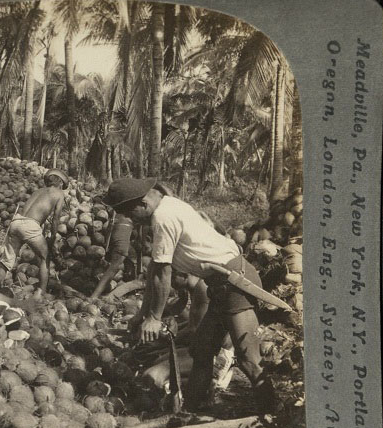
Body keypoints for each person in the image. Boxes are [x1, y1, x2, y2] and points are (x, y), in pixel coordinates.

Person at [102, 176, 274, 414]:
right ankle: (192, 411)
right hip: (220, 287)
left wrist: (154, 318)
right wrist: (143, 313)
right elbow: (154, 269)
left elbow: (163, 272)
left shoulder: (163, 218)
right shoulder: (169, 204)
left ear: (142, 205)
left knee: (249, 361)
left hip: (236, 283)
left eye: (131, 215)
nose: (133, 221)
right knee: (201, 351)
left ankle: (275, 416)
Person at [2, 169, 69, 294]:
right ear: (60, 183)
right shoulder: (59, 193)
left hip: (16, 221)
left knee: (6, 260)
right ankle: (41, 292)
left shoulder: (38, 191)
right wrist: (53, 237)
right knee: (45, 257)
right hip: (30, 225)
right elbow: (56, 219)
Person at [90, 209, 135, 299]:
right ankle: (94, 296)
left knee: (130, 257)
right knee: (115, 265)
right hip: (124, 227)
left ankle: (132, 288)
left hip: (116, 225)